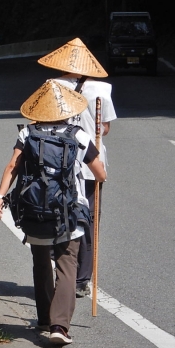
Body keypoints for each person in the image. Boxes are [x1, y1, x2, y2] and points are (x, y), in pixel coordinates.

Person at [0, 80, 107, 345]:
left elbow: (12, 166)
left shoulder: (28, 134)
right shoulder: (78, 135)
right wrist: (100, 169)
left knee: (41, 263)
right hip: (69, 213)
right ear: (68, 109)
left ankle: (44, 319)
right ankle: (60, 327)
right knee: (67, 267)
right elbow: (100, 174)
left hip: (34, 212)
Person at [37, 38, 117, 298]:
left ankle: (58, 262)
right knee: (90, 219)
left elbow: (41, 122)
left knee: (60, 213)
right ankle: (82, 278)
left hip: (58, 163)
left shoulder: (51, 86)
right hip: (90, 162)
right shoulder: (102, 90)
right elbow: (104, 128)